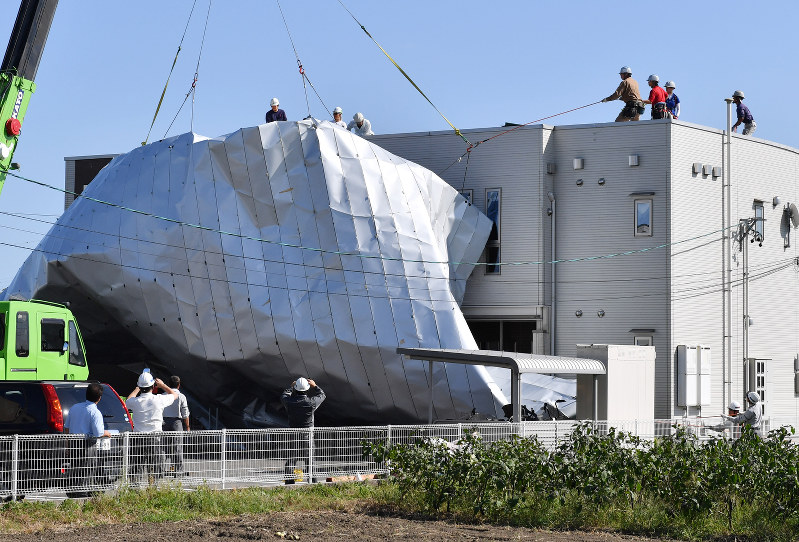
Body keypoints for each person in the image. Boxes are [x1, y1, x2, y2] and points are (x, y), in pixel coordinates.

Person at [126, 370, 178, 480]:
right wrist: (163, 385)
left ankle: (135, 489)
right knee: (154, 468)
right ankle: (152, 489)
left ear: (140, 387)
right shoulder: (159, 399)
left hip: (138, 438)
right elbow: (174, 395)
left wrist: (137, 388)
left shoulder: (135, 402)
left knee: (136, 467)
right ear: (153, 385)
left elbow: (128, 401)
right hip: (155, 438)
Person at [64, 382, 112, 496]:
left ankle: (72, 493)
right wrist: (107, 433)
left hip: (74, 442)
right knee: (86, 470)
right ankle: (81, 495)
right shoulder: (95, 412)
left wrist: (67, 445)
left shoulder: (74, 407)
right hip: (87, 445)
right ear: (99, 398)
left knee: (75, 469)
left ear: (86, 394)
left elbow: (67, 427)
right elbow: (98, 432)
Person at [280, 377, 325, 483]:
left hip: (294, 432)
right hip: (307, 434)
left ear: (296, 389)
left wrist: (290, 387)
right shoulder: (311, 402)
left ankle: (289, 482)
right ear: (307, 388)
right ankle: (312, 482)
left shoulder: (289, 402)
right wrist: (315, 386)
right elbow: (322, 395)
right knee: (310, 459)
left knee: (292, 458)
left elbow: (283, 395)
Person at [162, 375, 190, 476]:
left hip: (164, 423)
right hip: (176, 423)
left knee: (163, 447)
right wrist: (187, 426)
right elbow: (185, 413)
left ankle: (160, 469)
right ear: (179, 385)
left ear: (169, 384)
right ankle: (178, 470)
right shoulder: (181, 396)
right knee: (177, 447)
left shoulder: (163, 395)